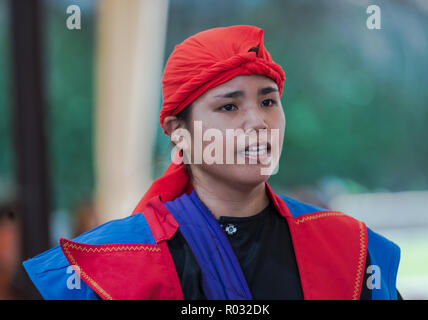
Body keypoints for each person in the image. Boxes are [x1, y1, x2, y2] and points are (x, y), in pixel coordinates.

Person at [22, 25, 401, 300]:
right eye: (229, 105)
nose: (258, 121)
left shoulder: (349, 249)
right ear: (178, 132)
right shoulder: (102, 267)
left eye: (268, 101)